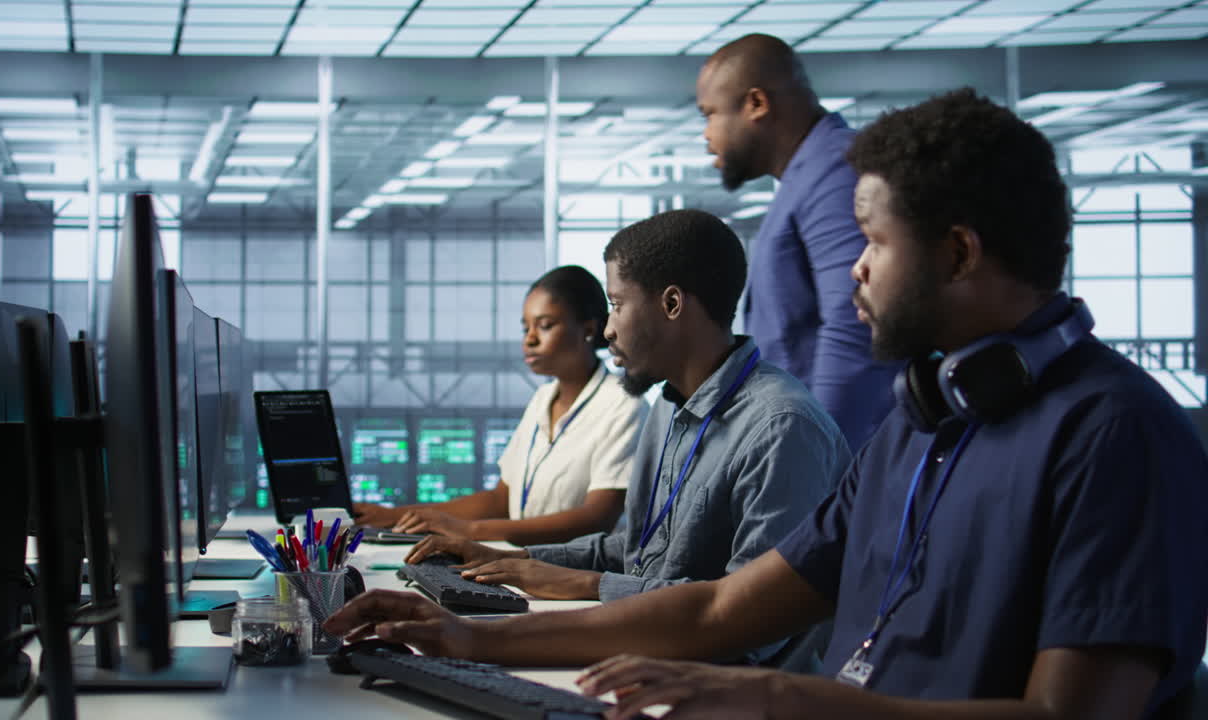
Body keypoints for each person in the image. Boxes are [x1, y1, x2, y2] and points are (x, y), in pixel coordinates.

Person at [325, 89, 1208, 719]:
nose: (854, 271)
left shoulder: (1115, 436)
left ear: (958, 253)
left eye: (872, 242)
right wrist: (463, 640)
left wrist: (780, 696)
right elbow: (719, 609)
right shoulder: (921, 421)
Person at [392, 208, 849, 611]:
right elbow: (635, 553)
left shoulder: (780, 428)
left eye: (616, 304)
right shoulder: (668, 410)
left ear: (671, 303)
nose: (607, 330)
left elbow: (753, 615)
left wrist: (585, 585)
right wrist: (513, 560)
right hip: (657, 648)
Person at [352, 265, 648, 546]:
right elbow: (501, 499)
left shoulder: (623, 405)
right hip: (521, 564)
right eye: (525, 328)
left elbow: (596, 518)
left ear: (588, 328)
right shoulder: (543, 400)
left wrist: (468, 531)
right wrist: (394, 516)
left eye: (545, 325)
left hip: (576, 574)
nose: (529, 339)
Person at [697, 33, 896, 451]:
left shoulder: (836, 172)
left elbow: (854, 321)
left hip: (835, 455)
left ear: (756, 104)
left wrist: (815, 457)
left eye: (710, 114)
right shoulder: (806, 176)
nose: (706, 133)